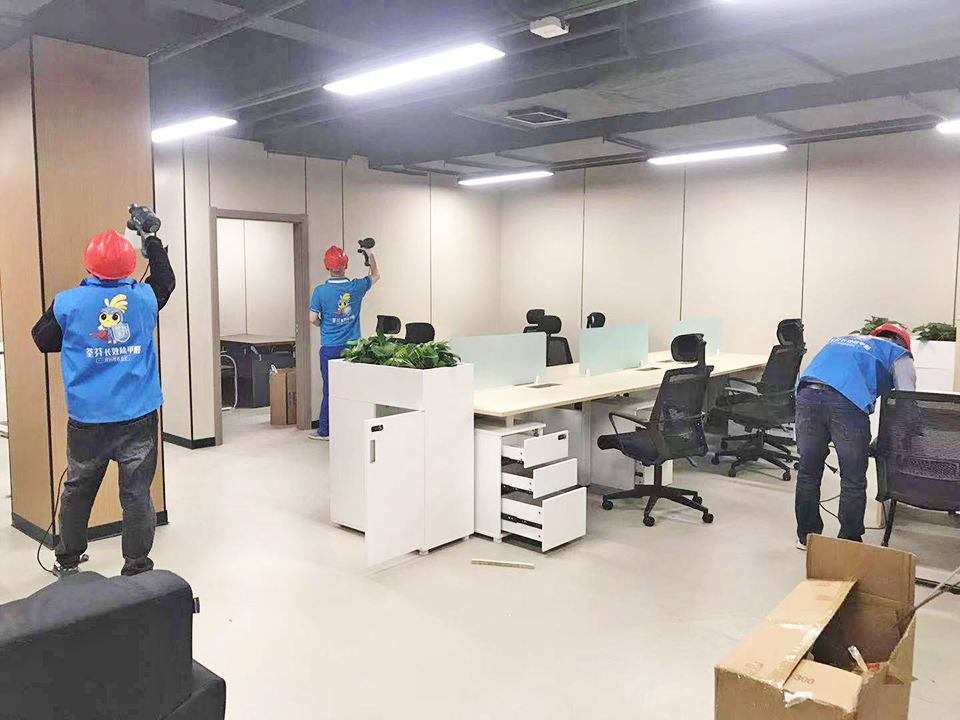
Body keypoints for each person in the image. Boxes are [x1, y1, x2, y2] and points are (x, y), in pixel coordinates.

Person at [32, 226, 174, 577]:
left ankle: (67, 561)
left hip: (87, 419)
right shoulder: (144, 298)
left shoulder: (67, 302)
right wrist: (151, 239)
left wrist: (82, 340)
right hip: (137, 416)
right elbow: (165, 280)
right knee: (136, 493)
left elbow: (42, 338)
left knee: (78, 489)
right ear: (129, 266)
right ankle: (137, 565)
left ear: (89, 265)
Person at [794, 323, 916, 550]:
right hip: (846, 403)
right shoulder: (899, 354)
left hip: (806, 395)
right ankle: (849, 542)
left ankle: (807, 538)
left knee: (808, 472)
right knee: (853, 476)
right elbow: (907, 401)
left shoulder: (842, 340)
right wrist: (902, 437)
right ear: (903, 343)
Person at [309, 245, 380, 440]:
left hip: (330, 348)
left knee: (330, 389)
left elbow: (312, 318)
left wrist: (323, 325)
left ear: (327, 267)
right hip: (353, 348)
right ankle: (353, 428)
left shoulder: (320, 291)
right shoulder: (356, 287)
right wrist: (369, 254)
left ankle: (325, 430)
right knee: (353, 388)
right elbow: (375, 275)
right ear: (345, 265)